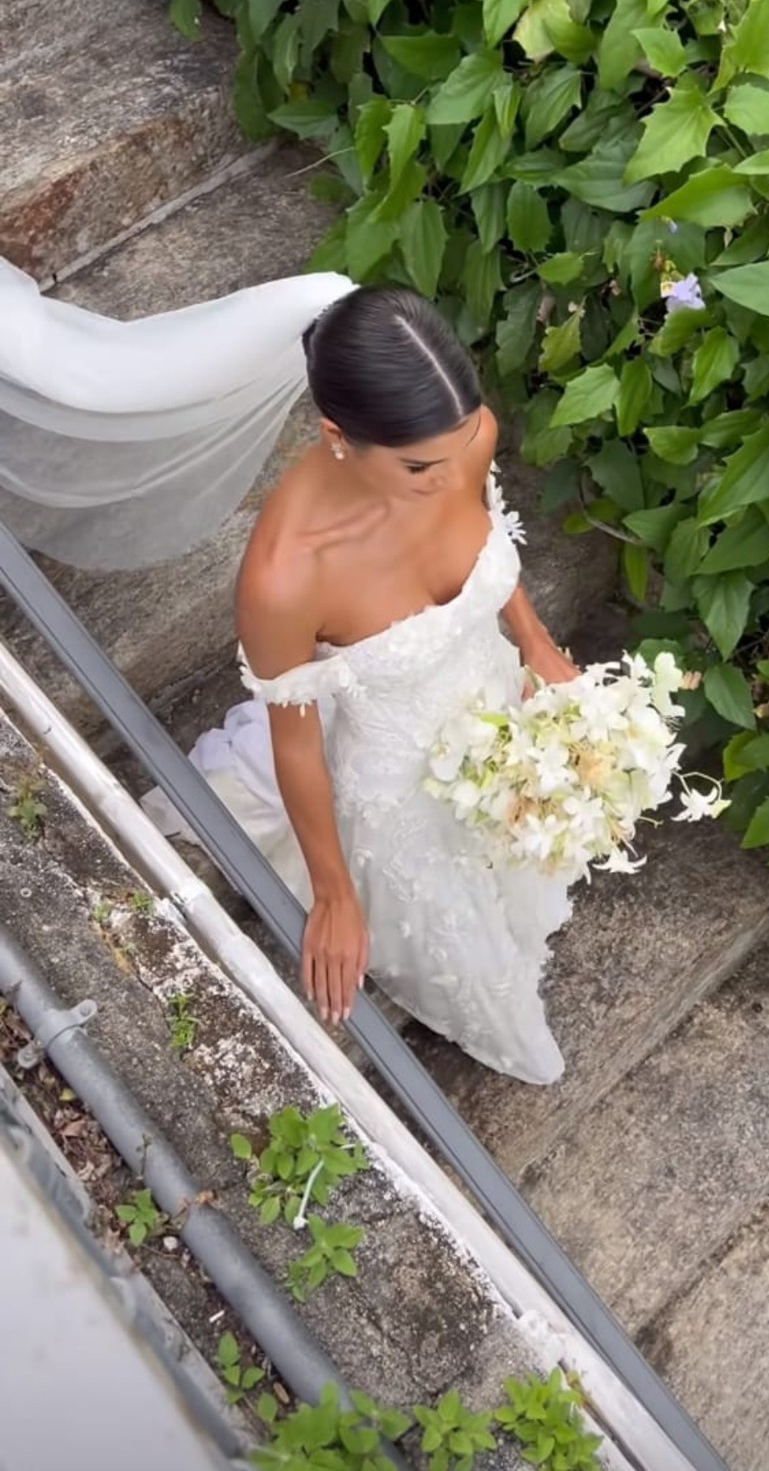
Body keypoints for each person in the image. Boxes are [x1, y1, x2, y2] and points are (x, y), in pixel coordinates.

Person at [148, 286, 579, 1085]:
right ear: (338, 437)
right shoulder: (285, 578)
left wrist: (535, 642)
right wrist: (334, 891)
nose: (450, 475)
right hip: (394, 774)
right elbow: (298, 743)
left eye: (461, 448)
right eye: (420, 466)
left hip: (491, 698)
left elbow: (489, 538)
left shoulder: (465, 440)